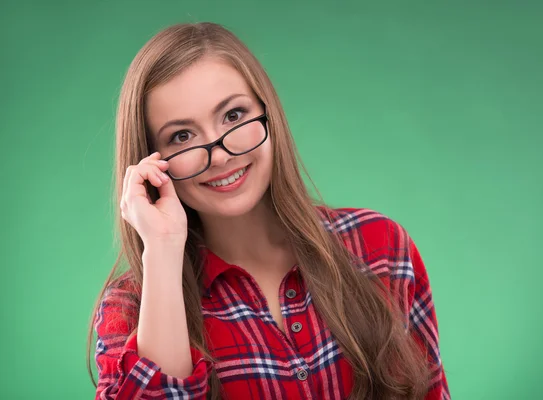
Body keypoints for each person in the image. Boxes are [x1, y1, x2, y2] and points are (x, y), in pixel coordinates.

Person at [86, 22, 450, 400]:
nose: (221, 154)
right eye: (182, 136)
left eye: (233, 115)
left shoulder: (378, 246)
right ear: (152, 161)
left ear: (267, 112)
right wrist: (161, 247)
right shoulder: (131, 310)